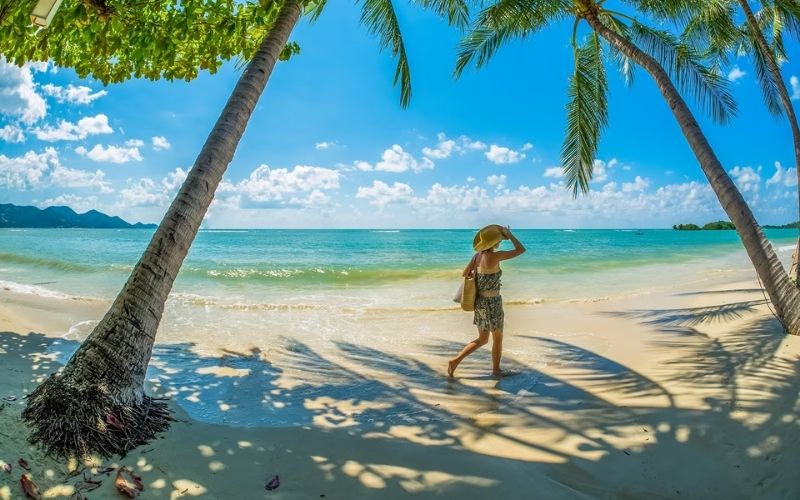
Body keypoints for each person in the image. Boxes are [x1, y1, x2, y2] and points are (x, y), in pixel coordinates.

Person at [448, 224, 525, 378]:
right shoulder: (497, 256)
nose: (500, 242)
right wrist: (509, 235)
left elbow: (465, 273)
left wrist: (480, 276)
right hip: (493, 302)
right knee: (497, 339)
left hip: (480, 302)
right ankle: (496, 370)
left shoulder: (476, 256)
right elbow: (520, 249)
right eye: (499, 240)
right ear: (495, 242)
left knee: (482, 339)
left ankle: (455, 361)